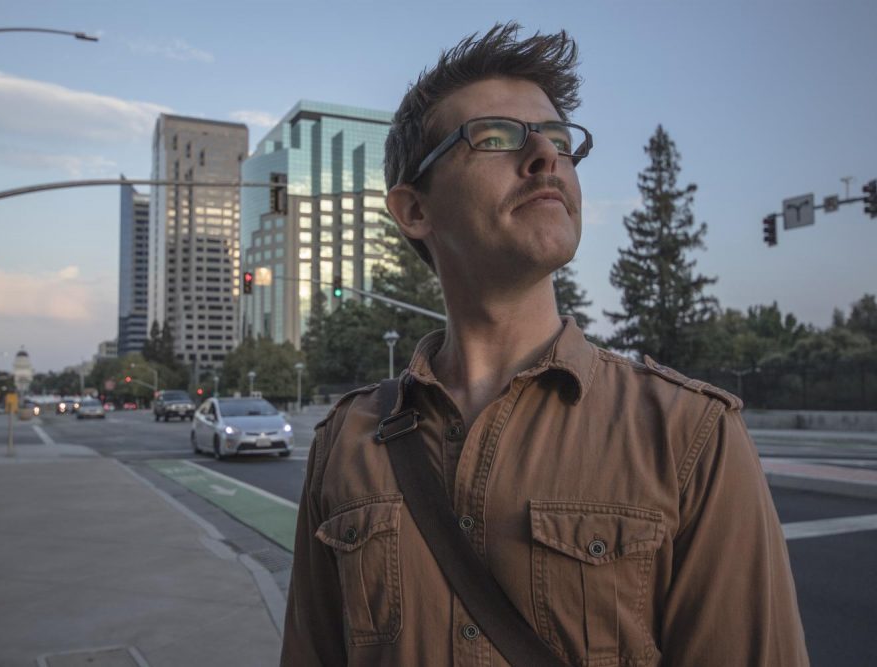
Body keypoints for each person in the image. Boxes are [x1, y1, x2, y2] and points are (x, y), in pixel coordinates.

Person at [281, 23, 808, 667]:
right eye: (496, 137)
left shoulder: (691, 435)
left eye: (559, 141)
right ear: (414, 209)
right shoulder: (344, 441)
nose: (544, 157)